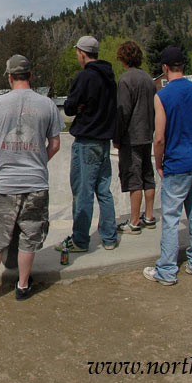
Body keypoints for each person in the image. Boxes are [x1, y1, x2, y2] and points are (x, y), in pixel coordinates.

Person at [0, 55, 62, 303]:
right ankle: (23, 286)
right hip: (36, 182)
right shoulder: (47, 104)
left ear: (10, 77)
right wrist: (39, 161)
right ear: (31, 76)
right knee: (30, 234)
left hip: (5, 183)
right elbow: (55, 144)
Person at [143, 47, 192, 285]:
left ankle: (167, 271)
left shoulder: (162, 96)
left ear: (164, 68)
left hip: (175, 165)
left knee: (171, 218)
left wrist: (159, 162)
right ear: (183, 66)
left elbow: (159, 137)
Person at [55, 36, 118, 253]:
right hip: (103, 140)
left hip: (86, 141)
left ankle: (80, 240)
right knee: (104, 190)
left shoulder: (85, 78)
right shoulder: (110, 77)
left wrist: (79, 106)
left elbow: (70, 107)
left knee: (83, 191)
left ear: (82, 53)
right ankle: (110, 237)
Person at [113, 40, 157, 235]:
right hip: (147, 134)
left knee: (134, 179)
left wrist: (117, 136)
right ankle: (149, 216)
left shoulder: (125, 80)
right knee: (148, 176)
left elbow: (123, 112)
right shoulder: (149, 79)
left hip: (131, 137)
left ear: (123, 58)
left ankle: (134, 221)